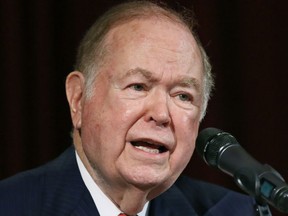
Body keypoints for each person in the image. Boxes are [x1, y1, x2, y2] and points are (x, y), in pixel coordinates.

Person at [0, 1, 257, 215]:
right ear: (78, 99)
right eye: (138, 87)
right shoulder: (12, 206)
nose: (161, 114)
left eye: (182, 96)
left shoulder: (230, 211)